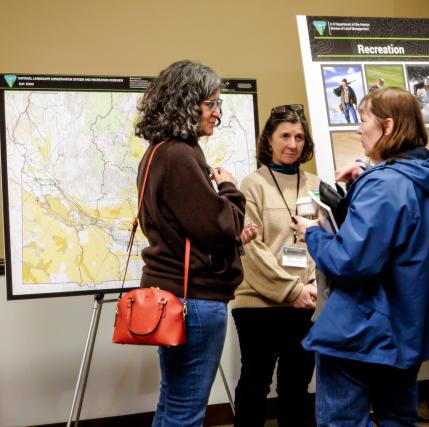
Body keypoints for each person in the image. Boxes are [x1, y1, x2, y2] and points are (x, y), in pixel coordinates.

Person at [290, 87, 429, 426]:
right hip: (404, 330)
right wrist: (357, 189)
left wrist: (313, 234)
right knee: (398, 419)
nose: (359, 129)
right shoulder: (425, 181)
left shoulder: (384, 185)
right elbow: (396, 244)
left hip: (361, 330)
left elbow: (351, 261)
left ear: (388, 126)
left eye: (363, 121)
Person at [134, 60, 256, 427]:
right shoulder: (181, 155)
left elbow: (188, 225)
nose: (217, 113)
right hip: (194, 301)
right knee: (186, 413)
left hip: (171, 296)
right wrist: (230, 188)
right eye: (211, 104)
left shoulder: (157, 151)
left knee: (172, 404)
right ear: (187, 102)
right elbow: (221, 226)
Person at [232, 103, 319, 427]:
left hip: (305, 301)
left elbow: (321, 239)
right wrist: (290, 289)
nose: (292, 144)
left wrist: (310, 288)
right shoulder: (251, 184)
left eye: (299, 136)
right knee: (255, 383)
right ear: (269, 139)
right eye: (285, 135)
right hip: (259, 302)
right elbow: (250, 248)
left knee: (297, 386)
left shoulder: (315, 183)